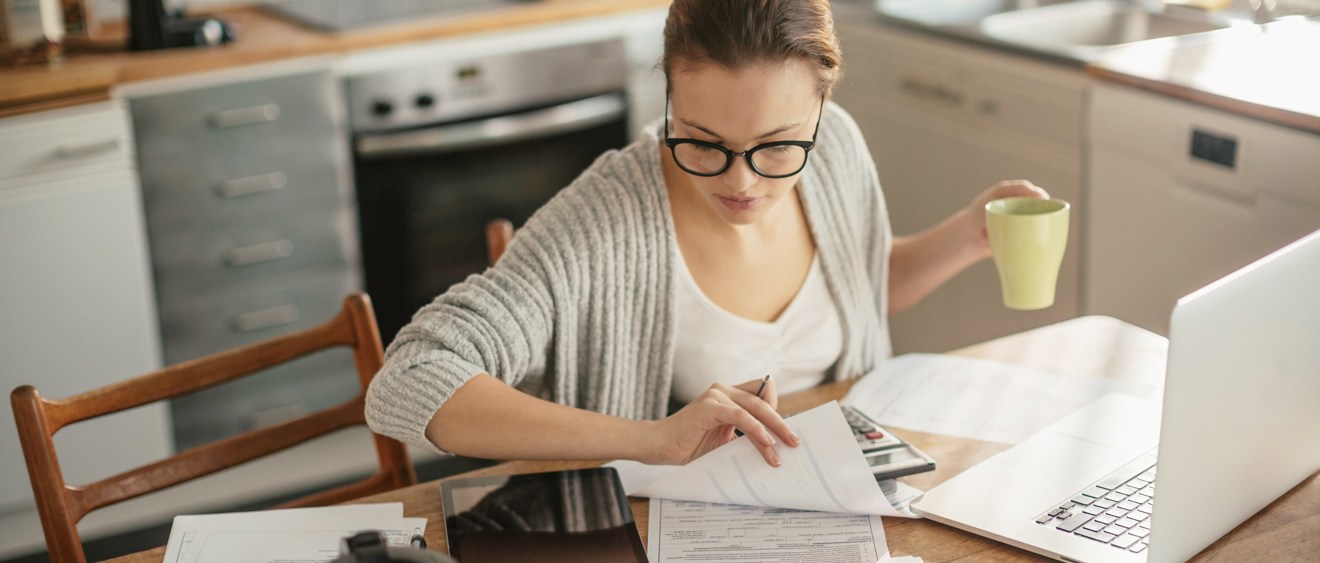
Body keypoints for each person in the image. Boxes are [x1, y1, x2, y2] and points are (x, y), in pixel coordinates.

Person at [365, 0, 1047, 469]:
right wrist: (653, 439)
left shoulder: (835, 147)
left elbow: (862, 286)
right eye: (703, 141)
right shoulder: (606, 221)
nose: (743, 182)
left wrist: (968, 235)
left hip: (842, 493)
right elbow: (410, 379)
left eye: (777, 146)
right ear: (667, 97)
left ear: (823, 106)